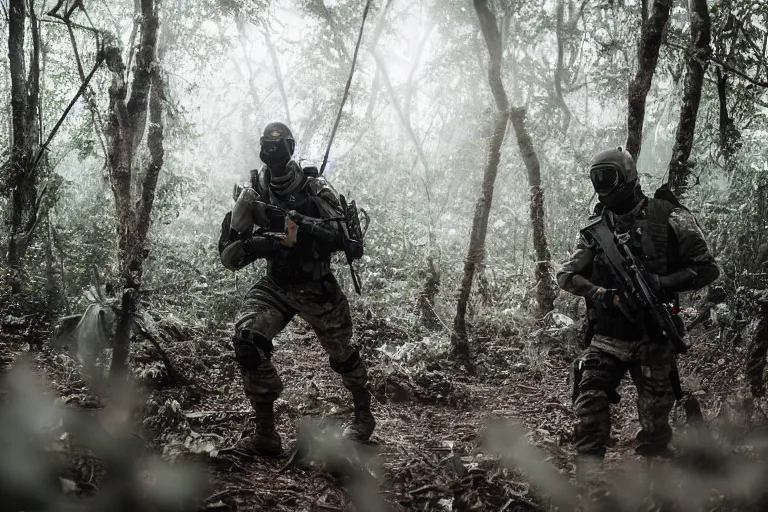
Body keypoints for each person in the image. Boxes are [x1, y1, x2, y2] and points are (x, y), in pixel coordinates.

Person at [557, 147, 719, 475]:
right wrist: (603, 295)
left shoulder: (671, 216)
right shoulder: (594, 232)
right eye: (596, 177)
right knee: (589, 405)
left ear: (628, 177)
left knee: (656, 426)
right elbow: (566, 275)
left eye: (608, 176)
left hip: (655, 335)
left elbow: (707, 268)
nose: (602, 184)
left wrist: (661, 282)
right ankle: (588, 488)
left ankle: (653, 489)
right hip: (607, 337)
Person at [218, 122, 375, 456]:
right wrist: (261, 244)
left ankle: (363, 418)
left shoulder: (314, 186)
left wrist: (303, 224)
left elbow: (346, 241)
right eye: (266, 145)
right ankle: (266, 437)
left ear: (290, 147)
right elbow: (230, 252)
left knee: (343, 355)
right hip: (277, 283)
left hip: (317, 285)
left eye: (279, 145)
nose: (272, 152)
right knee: (248, 341)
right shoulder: (256, 189)